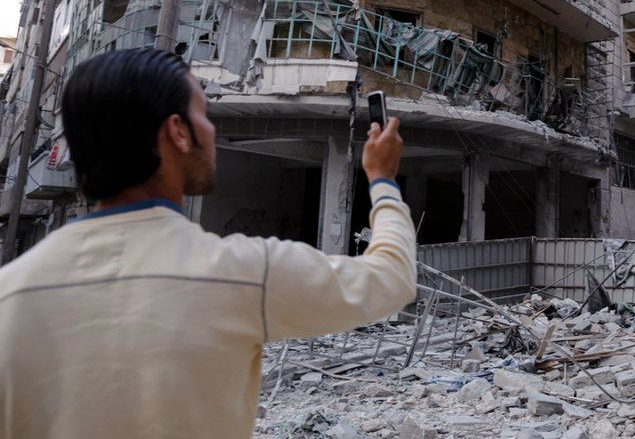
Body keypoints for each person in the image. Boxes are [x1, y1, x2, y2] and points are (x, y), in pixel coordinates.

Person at [0, 49, 417, 438]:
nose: (212, 129)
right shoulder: (242, 274)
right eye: (204, 112)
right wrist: (381, 180)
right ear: (178, 132)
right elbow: (391, 279)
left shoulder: (11, 295)